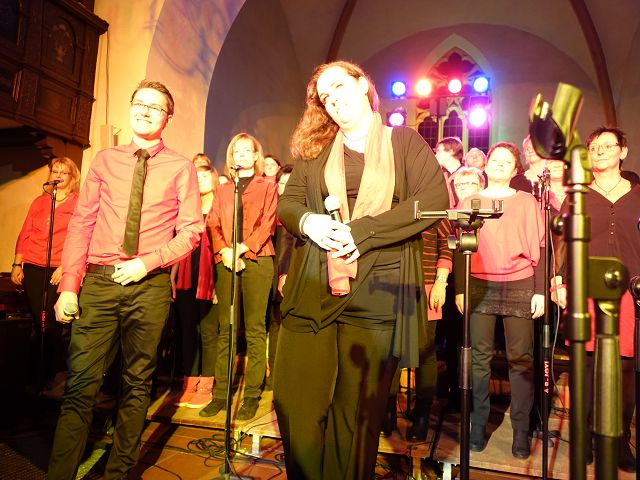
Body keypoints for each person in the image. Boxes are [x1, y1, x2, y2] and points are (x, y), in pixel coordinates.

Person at [274, 60, 449, 480]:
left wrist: (365, 231)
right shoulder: (317, 151)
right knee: (293, 400)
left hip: (379, 290)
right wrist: (310, 223)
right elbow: (289, 204)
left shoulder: (403, 141)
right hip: (315, 283)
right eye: (324, 96)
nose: (332, 99)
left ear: (361, 84)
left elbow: (433, 199)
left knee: (355, 416)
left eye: (338, 86)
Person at [48, 80, 204, 480]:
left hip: (148, 287)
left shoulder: (181, 168)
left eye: (156, 106)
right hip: (99, 284)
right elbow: (82, 223)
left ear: (168, 118)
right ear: (131, 107)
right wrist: (70, 286)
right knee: (80, 383)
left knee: (136, 383)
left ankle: (117, 473)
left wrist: (147, 263)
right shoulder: (105, 160)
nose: (145, 110)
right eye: (140, 103)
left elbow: (191, 232)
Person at [553, 126, 638, 472]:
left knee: (626, 368)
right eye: (594, 147)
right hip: (585, 289)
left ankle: (619, 439)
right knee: (586, 367)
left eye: (608, 145)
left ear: (623, 151)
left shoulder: (637, 194)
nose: (600, 150)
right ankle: (586, 436)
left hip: (630, 292)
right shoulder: (578, 195)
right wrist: (559, 281)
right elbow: (562, 245)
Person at [455, 142, 545, 459]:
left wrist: (539, 290)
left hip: (519, 281)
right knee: (478, 359)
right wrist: (461, 288)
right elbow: (460, 248)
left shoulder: (527, 202)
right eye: (495, 159)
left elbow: (541, 246)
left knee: (520, 359)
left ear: (515, 170)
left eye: (507, 161)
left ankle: (521, 430)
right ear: (486, 164)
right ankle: (478, 424)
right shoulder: (470, 201)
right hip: (480, 284)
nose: (499, 164)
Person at [199, 133, 277, 421]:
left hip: (258, 259)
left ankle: (252, 395)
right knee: (227, 329)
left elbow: (268, 223)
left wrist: (242, 248)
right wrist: (225, 250)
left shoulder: (268, 186)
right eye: (237, 151)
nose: (241, 155)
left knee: (255, 330)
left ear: (256, 156)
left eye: (247, 150)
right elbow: (213, 223)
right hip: (227, 260)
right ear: (231, 157)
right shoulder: (224, 189)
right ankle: (220, 394)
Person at [11, 157, 81, 390]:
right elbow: (25, 232)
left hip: (59, 267)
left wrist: (66, 266)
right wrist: (17, 264)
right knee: (37, 318)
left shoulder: (77, 203)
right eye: (54, 172)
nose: (57, 176)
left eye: (63, 172)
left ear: (72, 177)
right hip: (33, 264)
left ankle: (50, 371)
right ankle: (35, 372)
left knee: (50, 319)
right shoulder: (40, 202)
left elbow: (78, 238)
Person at [171, 153, 219, 408]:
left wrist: (219, 285)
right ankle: (189, 382)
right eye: (196, 177)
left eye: (204, 176)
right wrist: (172, 277)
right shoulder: (186, 208)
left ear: (213, 178)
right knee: (187, 330)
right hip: (185, 276)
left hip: (211, 276)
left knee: (208, 332)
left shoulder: (220, 206)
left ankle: (206, 384)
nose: (199, 180)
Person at [264, 164, 295, 391]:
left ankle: (288, 379)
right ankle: (273, 378)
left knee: (289, 327)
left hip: (292, 274)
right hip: (270, 274)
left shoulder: (299, 212)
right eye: (281, 183)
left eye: (289, 183)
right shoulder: (270, 210)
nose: (285, 187)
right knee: (274, 326)